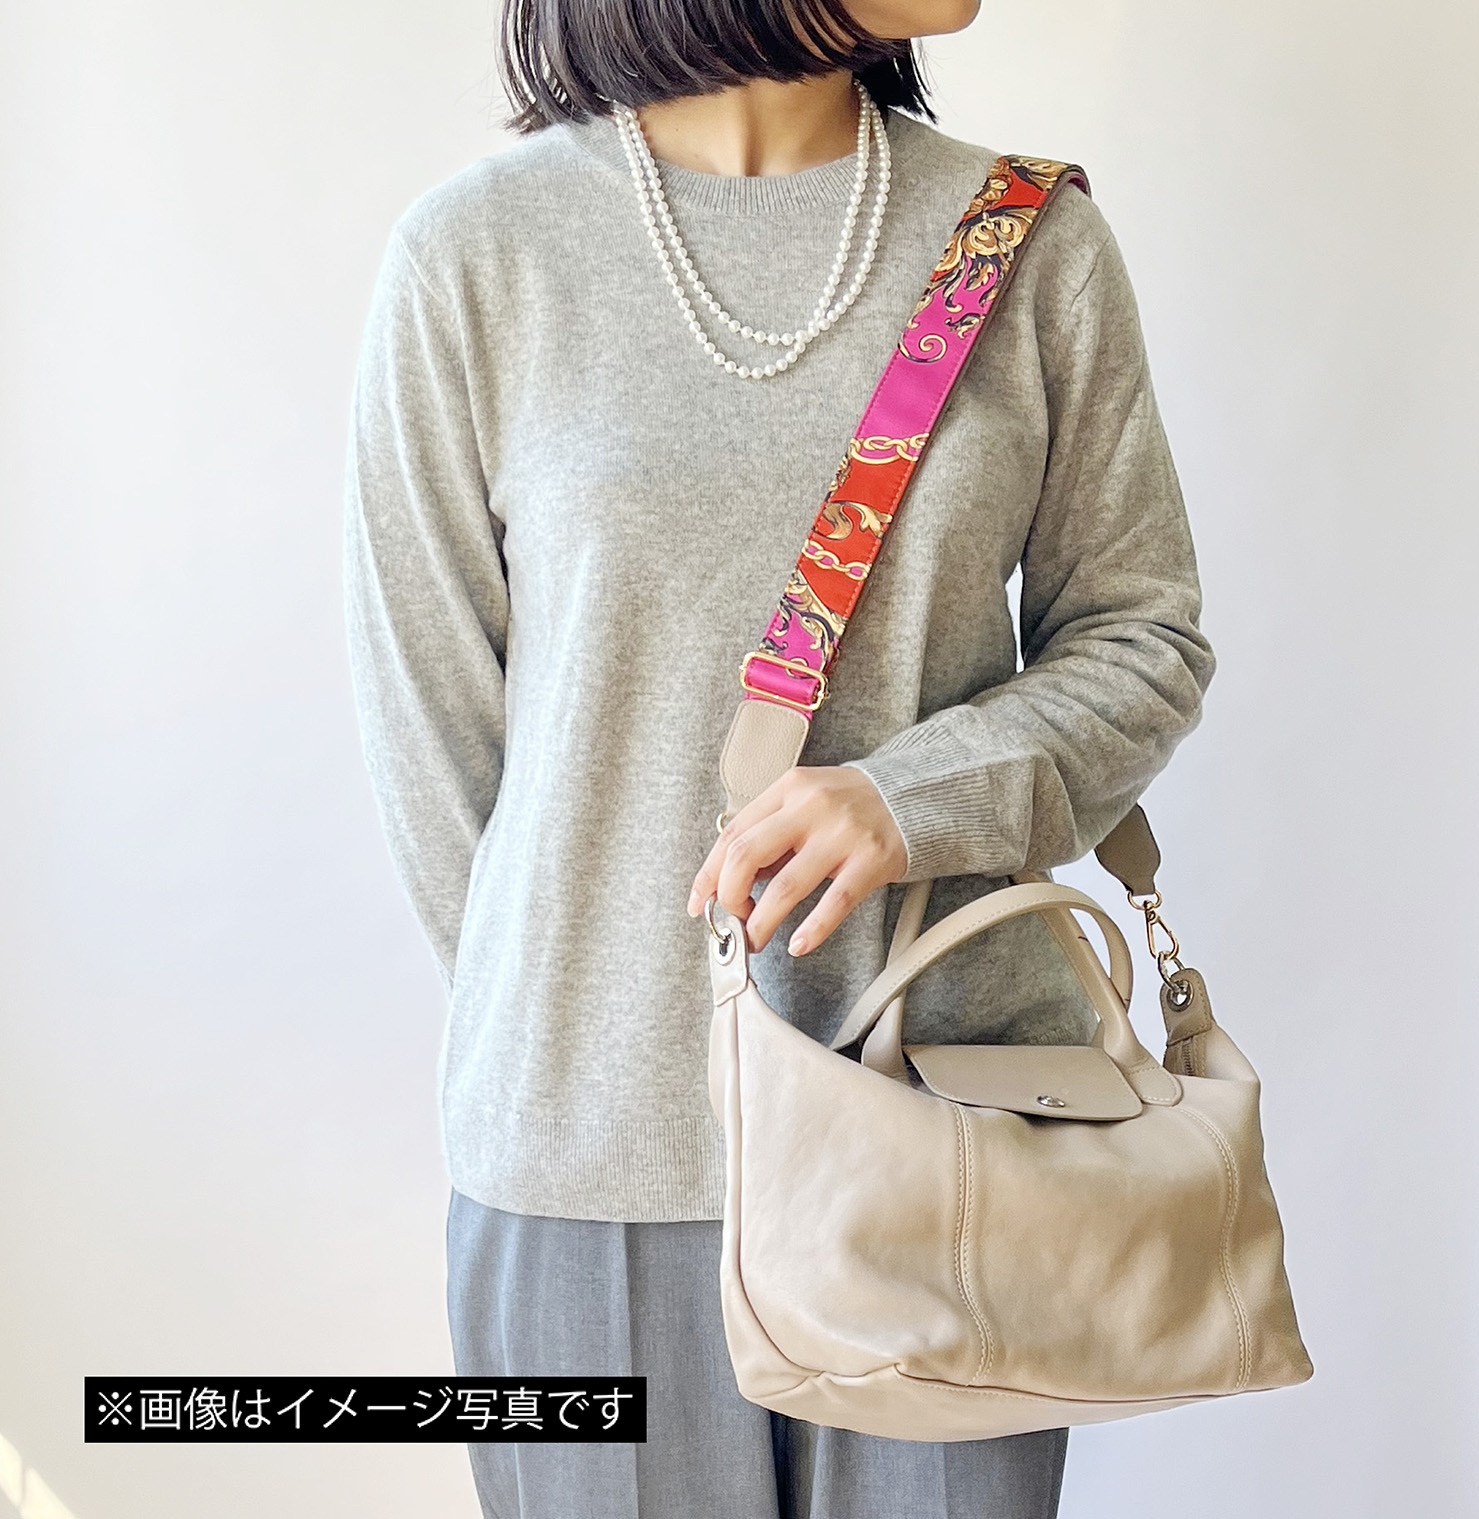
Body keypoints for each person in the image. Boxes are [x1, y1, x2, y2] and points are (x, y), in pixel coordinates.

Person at [341, 0, 1216, 1513]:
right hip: (590, 1170)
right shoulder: (475, 260)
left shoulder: (1028, 245)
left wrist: (909, 801)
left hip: (955, 1135)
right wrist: (581, 1040)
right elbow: (437, 747)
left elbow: (1142, 642)